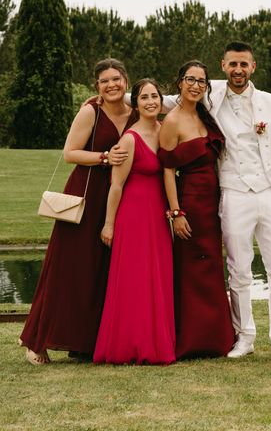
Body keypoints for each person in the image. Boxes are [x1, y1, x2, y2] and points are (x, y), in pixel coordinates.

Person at [162, 42, 271, 357]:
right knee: (238, 267)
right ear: (223, 66)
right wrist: (116, 99)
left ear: (253, 67)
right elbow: (170, 99)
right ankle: (245, 337)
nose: (238, 70)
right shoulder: (210, 95)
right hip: (232, 192)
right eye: (232, 65)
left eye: (244, 64)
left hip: (268, 192)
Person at [19, 59, 132, 365]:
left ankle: (84, 342)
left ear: (125, 80)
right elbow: (70, 153)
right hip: (86, 194)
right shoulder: (90, 111)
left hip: (118, 199)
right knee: (66, 270)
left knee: (99, 272)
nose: (111, 85)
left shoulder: (134, 112)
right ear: (97, 86)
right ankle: (35, 341)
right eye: (104, 81)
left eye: (116, 79)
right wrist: (105, 157)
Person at [92, 79, 175, 365]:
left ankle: (156, 342)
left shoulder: (164, 130)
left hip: (158, 215)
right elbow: (116, 185)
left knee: (157, 278)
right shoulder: (129, 138)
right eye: (144, 97)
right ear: (136, 103)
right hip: (134, 216)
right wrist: (109, 224)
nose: (151, 101)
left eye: (155, 96)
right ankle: (128, 345)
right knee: (135, 280)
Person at [158, 61, 235, 359]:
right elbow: (167, 171)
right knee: (192, 269)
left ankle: (216, 338)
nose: (196, 85)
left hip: (212, 200)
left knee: (212, 266)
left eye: (201, 81)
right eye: (190, 79)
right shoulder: (172, 121)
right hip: (189, 201)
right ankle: (191, 340)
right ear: (179, 82)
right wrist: (176, 213)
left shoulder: (205, 114)